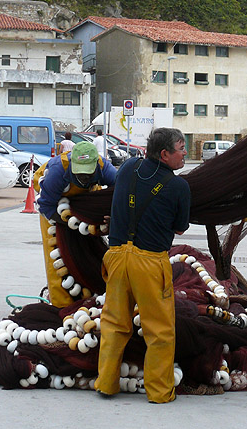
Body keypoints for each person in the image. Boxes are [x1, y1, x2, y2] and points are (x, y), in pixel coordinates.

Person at [95, 128, 190, 403]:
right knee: (159, 330)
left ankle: (105, 383)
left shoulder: (127, 168)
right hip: (149, 262)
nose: (184, 154)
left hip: (115, 256)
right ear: (164, 154)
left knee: (114, 323)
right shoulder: (178, 186)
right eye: (181, 148)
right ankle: (160, 392)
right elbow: (181, 229)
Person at [36, 141, 117, 307]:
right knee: (57, 254)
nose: (84, 177)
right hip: (54, 205)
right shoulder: (58, 172)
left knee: (89, 249)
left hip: (84, 199)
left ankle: (92, 291)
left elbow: (120, 190)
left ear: (96, 166)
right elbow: (45, 205)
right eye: (80, 173)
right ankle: (62, 304)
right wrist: (70, 223)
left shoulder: (105, 168)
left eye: (88, 173)